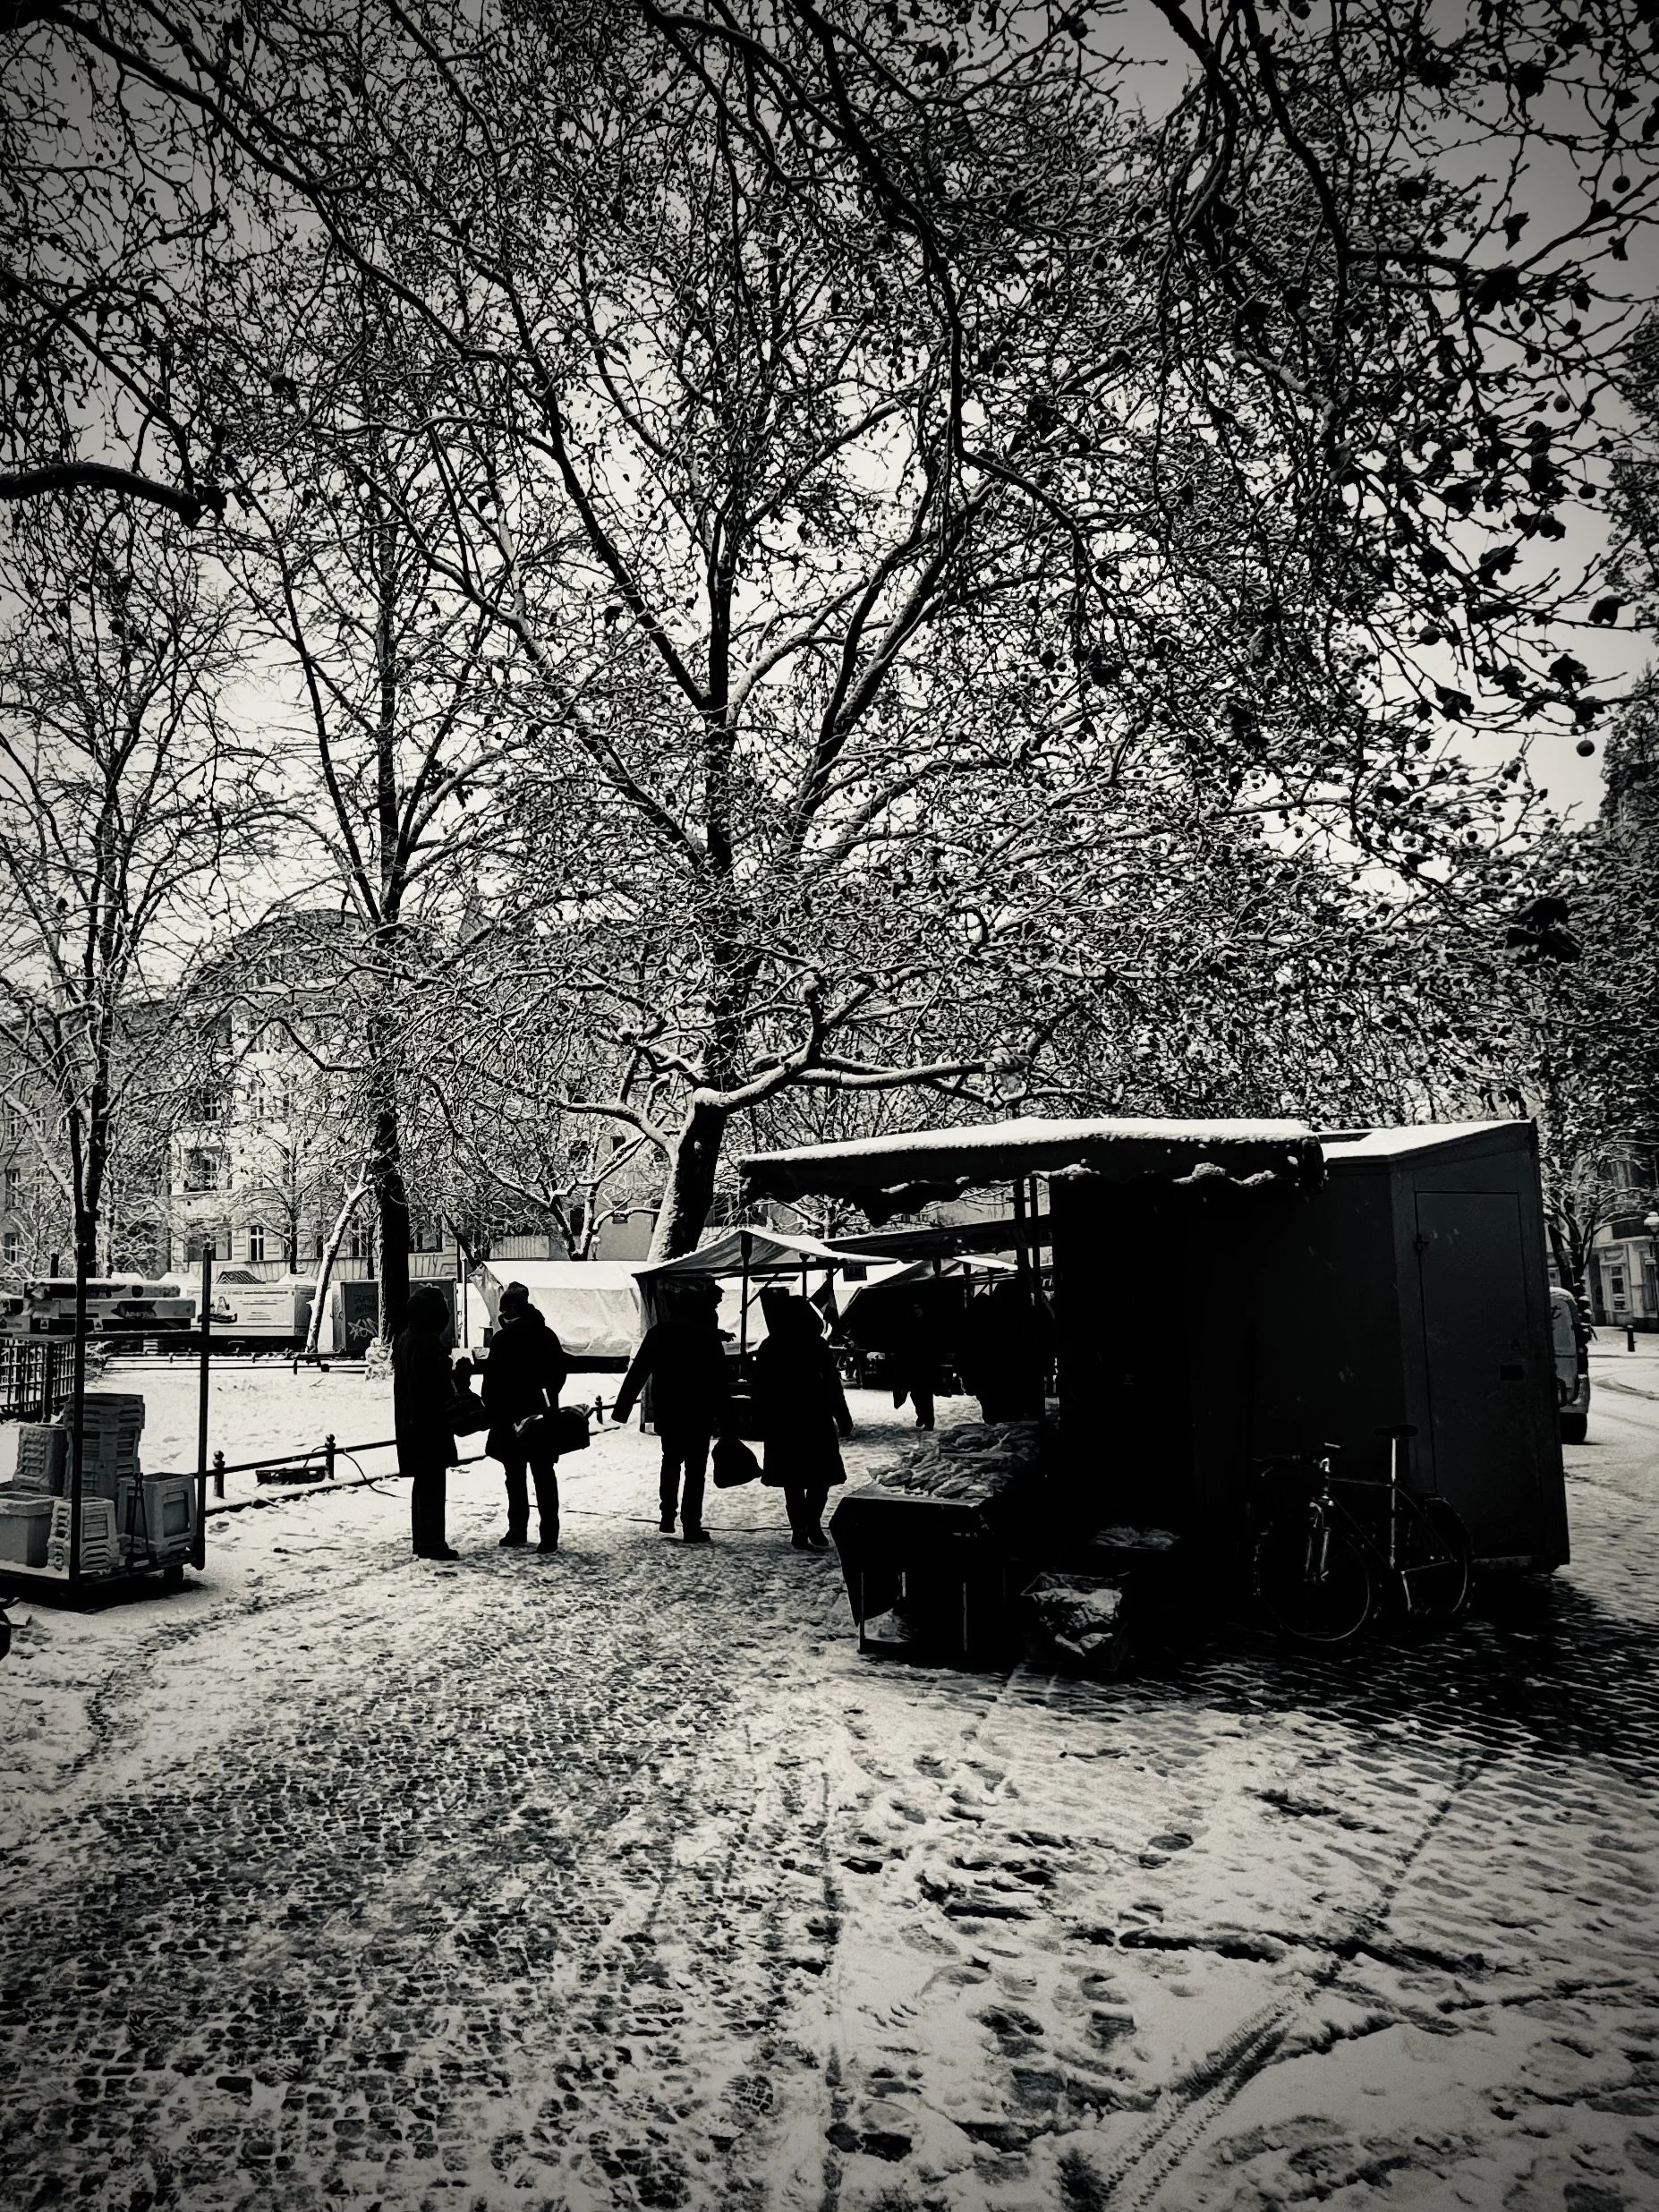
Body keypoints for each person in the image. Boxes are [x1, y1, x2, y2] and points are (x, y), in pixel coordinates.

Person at [611, 1274, 729, 1543]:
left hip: (669, 1408)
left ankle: (667, 1514)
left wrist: (622, 1408)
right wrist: (726, 1417)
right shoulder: (705, 1336)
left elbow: (638, 1371)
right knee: (695, 1469)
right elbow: (719, 1378)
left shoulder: (659, 1333)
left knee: (671, 1461)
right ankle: (691, 1524)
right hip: (699, 1409)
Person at [753, 1289, 853, 1551]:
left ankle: (800, 1527)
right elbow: (832, 1383)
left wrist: (760, 1418)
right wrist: (842, 1416)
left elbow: (759, 1387)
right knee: (821, 1477)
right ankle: (813, 1524)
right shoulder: (815, 1344)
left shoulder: (769, 1345)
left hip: (782, 1420)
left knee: (792, 1481)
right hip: (814, 1417)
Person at [481, 1280, 569, 1552]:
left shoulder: (502, 1339)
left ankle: (517, 1529)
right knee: (543, 1474)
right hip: (539, 1414)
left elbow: (491, 1383)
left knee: (515, 1476)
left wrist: (491, 1407)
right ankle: (549, 1534)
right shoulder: (546, 1335)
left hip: (509, 1416)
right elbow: (558, 1374)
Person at [393, 1283, 460, 1560]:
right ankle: (432, 1543)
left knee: (423, 1483)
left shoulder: (406, 1337)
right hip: (429, 1423)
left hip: (412, 1422)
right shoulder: (426, 1341)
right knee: (432, 1484)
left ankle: (423, 1540)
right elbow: (433, 1384)